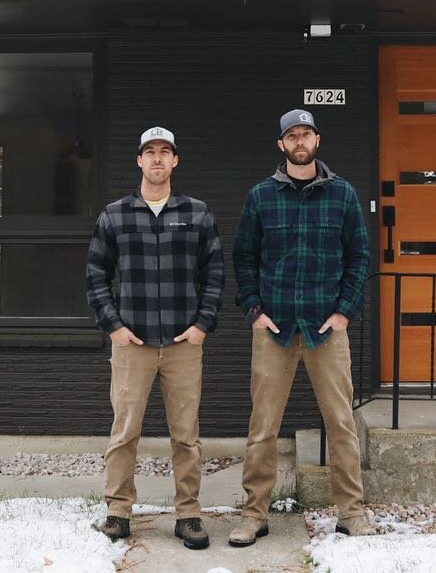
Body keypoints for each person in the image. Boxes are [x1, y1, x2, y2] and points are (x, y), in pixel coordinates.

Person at [228, 109, 373, 547]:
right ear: (281, 145)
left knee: (341, 423)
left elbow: (359, 257)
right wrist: (254, 309)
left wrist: (345, 311)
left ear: (317, 140)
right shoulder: (261, 196)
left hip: (326, 328)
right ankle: (255, 513)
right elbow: (244, 257)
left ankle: (351, 513)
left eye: (306, 133)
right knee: (263, 426)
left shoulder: (343, 195)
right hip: (274, 329)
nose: (299, 141)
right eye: (292, 135)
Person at [85, 126, 224, 550]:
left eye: (166, 152)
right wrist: (115, 326)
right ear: (139, 160)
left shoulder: (197, 213)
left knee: (186, 434)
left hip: (183, 344)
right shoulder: (115, 214)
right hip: (133, 344)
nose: (158, 159)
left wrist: (202, 326)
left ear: (175, 161)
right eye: (150, 152)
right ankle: (118, 512)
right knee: (125, 430)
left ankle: (188, 515)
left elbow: (214, 274)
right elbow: (95, 276)